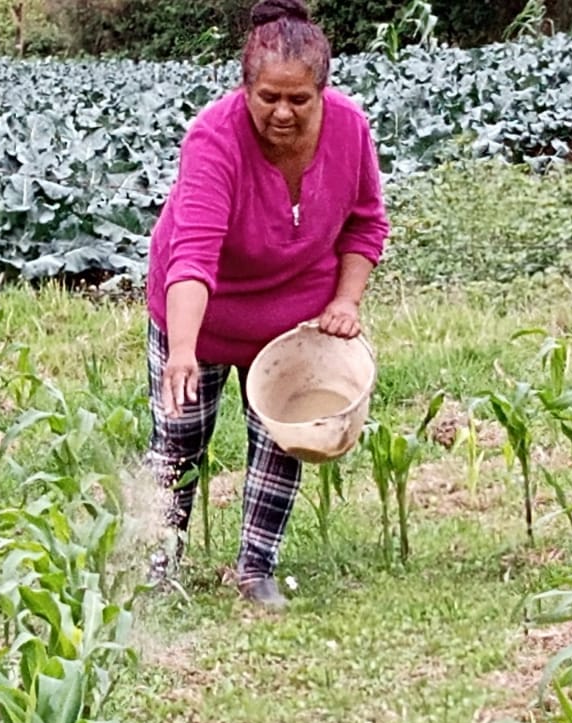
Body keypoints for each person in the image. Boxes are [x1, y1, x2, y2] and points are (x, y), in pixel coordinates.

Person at [144, 0, 390, 609]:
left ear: (322, 92)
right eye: (268, 98)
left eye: (299, 100)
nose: (283, 112)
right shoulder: (213, 137)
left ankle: (255, 571)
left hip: (289, 320)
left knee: (284, 438)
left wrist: (346, 301)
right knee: (178, 439)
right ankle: (156, 562)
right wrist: (181, 351)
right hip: (199, 312)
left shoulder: (350, 130)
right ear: (245, 88)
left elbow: (365, 223)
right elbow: (193, 253)